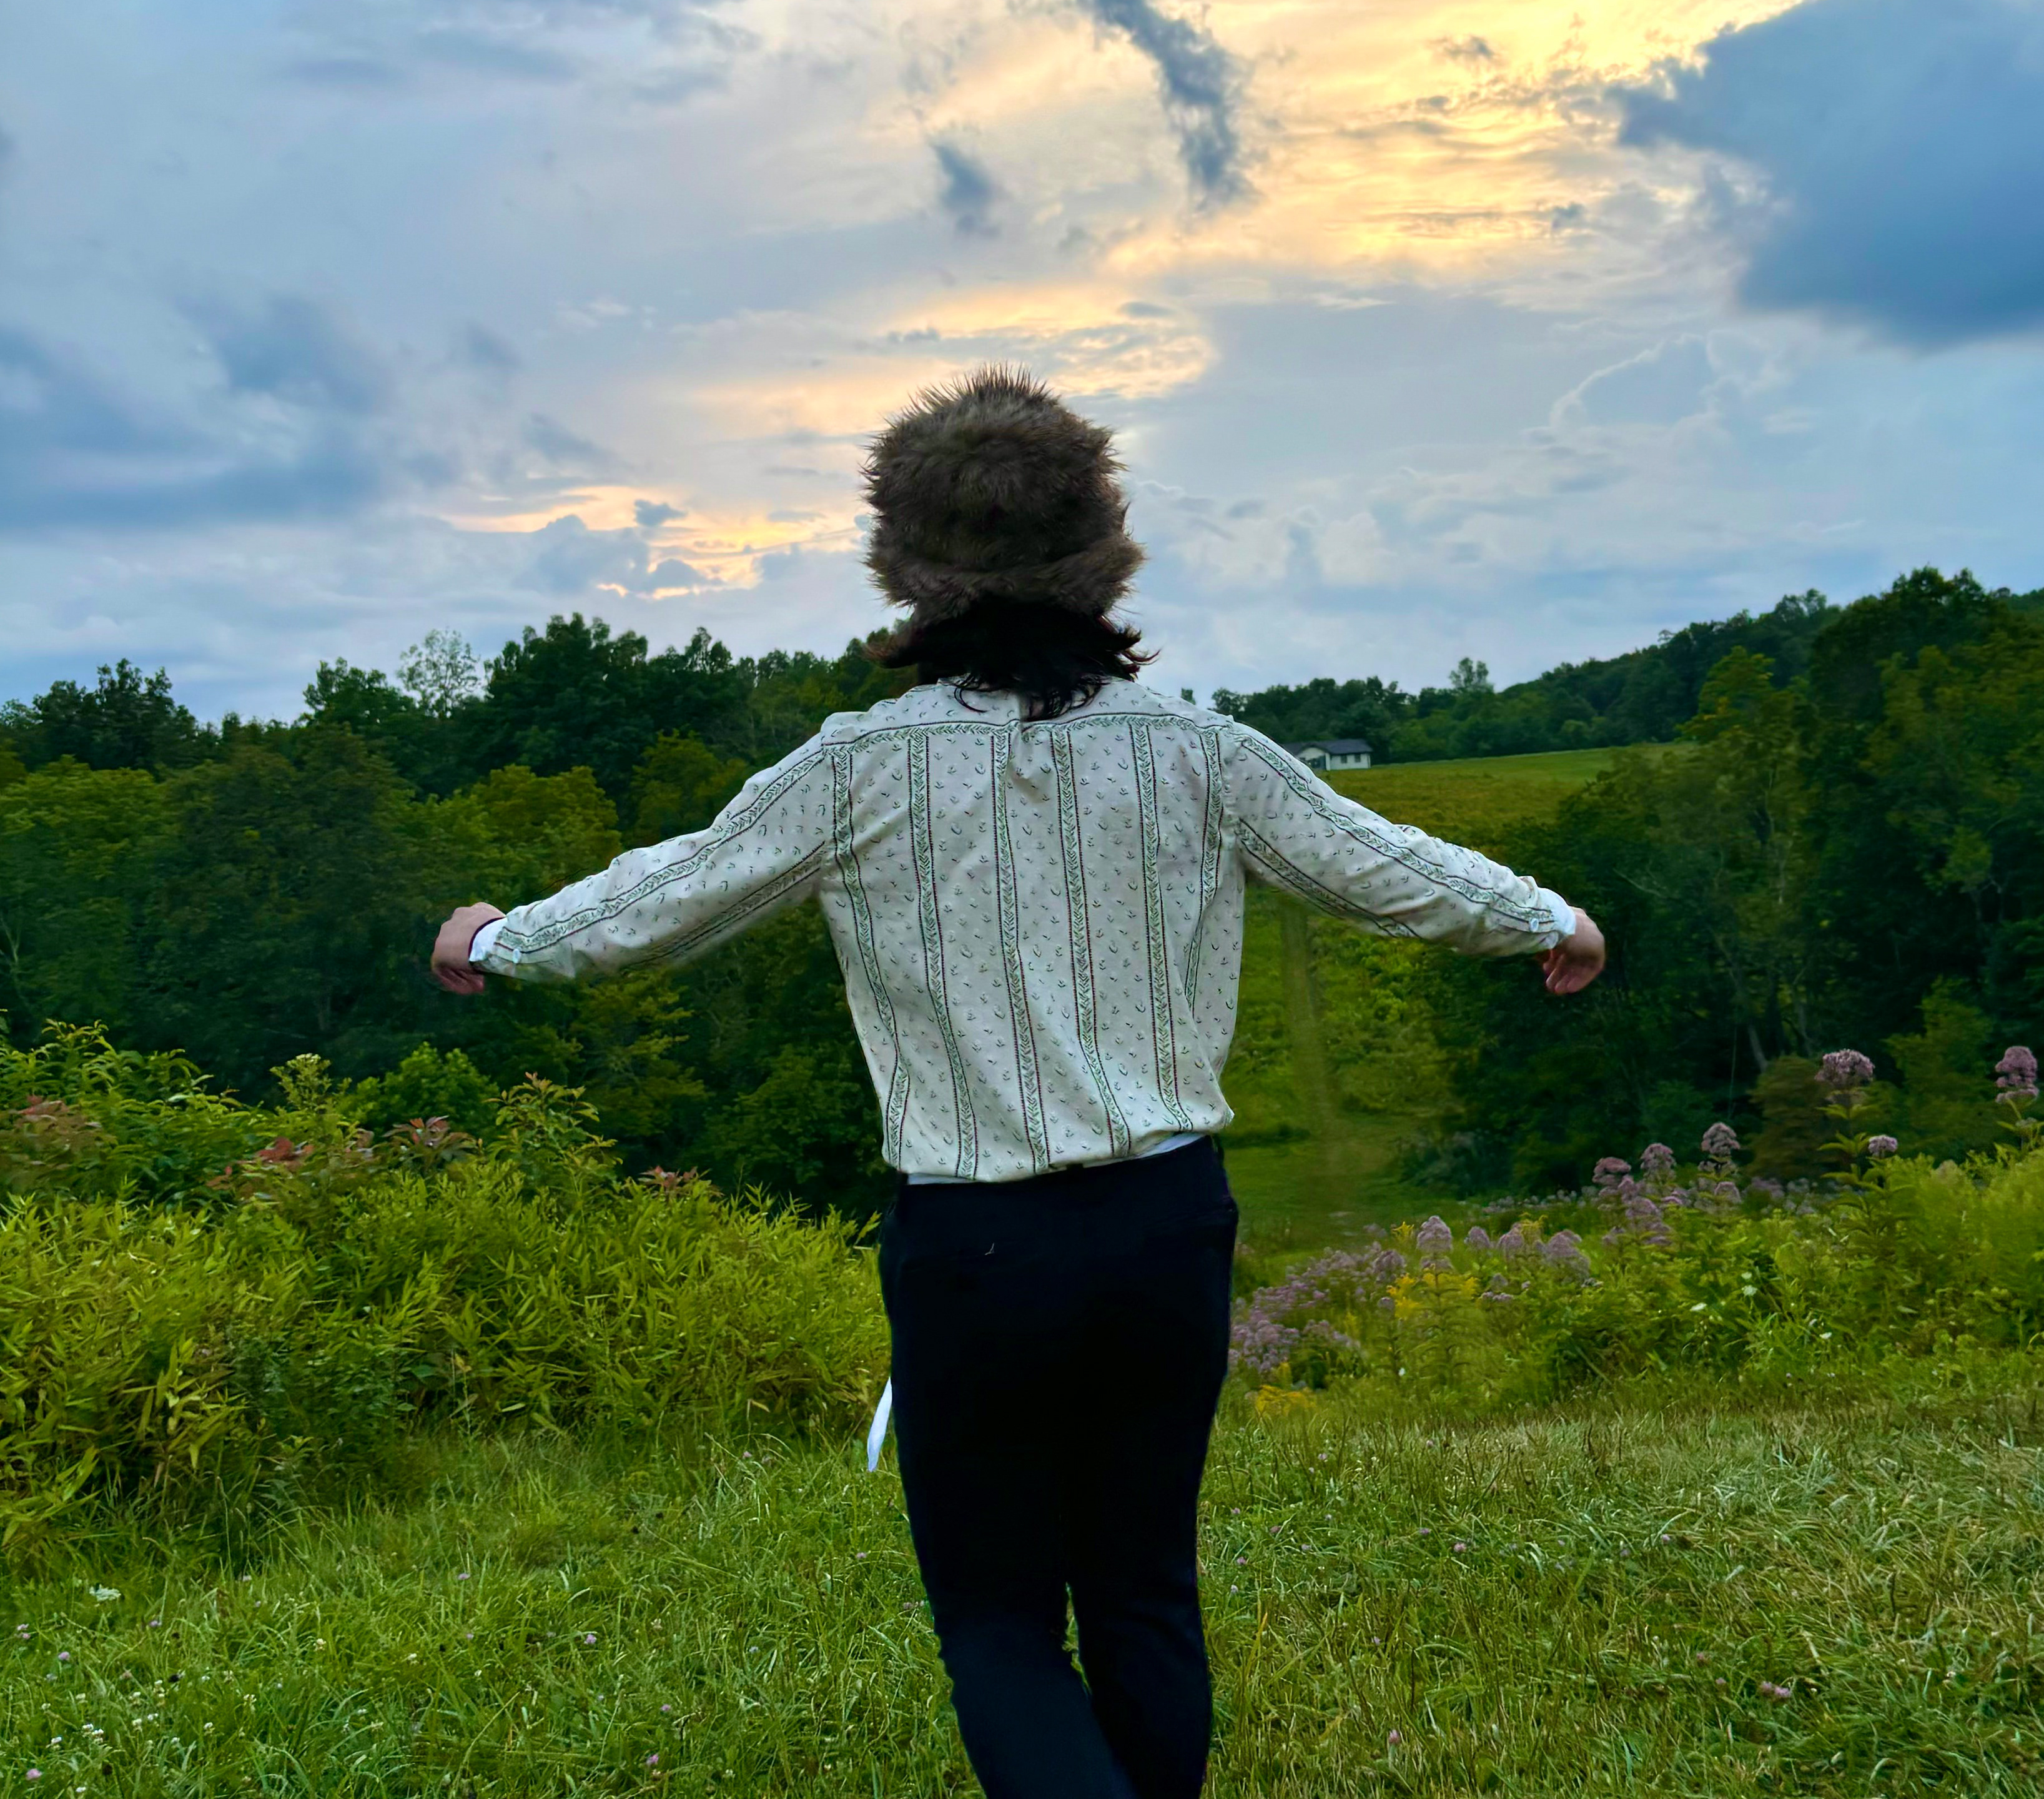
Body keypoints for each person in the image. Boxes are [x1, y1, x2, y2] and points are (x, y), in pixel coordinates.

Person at [429, 367, 1606, 1799]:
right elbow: (1377, 859)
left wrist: (498, 936)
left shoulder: (858, 768)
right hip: (1168, 1229)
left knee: (998, 1622)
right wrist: (1548, 917)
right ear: (1100, 544)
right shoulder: (1200, 753)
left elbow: (667, 896)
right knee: (1142, 1594)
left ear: (907, 563)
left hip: (976, 1248)